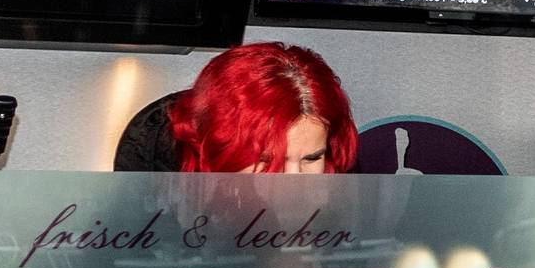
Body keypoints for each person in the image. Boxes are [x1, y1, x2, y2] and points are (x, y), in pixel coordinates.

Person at [113, 41, 358, 173]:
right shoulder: (157, 158)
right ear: (223, 144)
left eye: (312, 158)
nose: (293, 180)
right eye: (266, 159)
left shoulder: (342, 190)